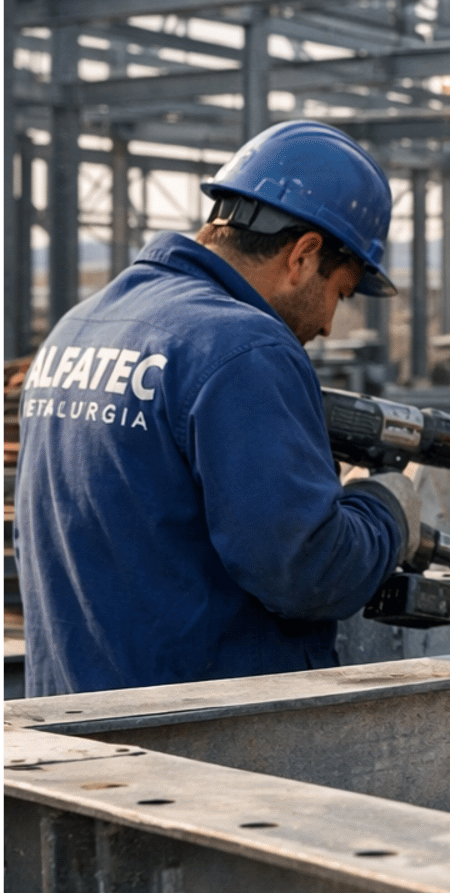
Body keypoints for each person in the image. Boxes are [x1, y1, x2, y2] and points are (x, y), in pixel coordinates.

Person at [15, 120, 425, 697]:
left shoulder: (78, 327)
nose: (330, 324)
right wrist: (386, 511)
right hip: (203, 742)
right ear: (304, 256)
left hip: (74, 727)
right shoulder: (243, 347)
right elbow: (306, 573)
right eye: (341, 292)